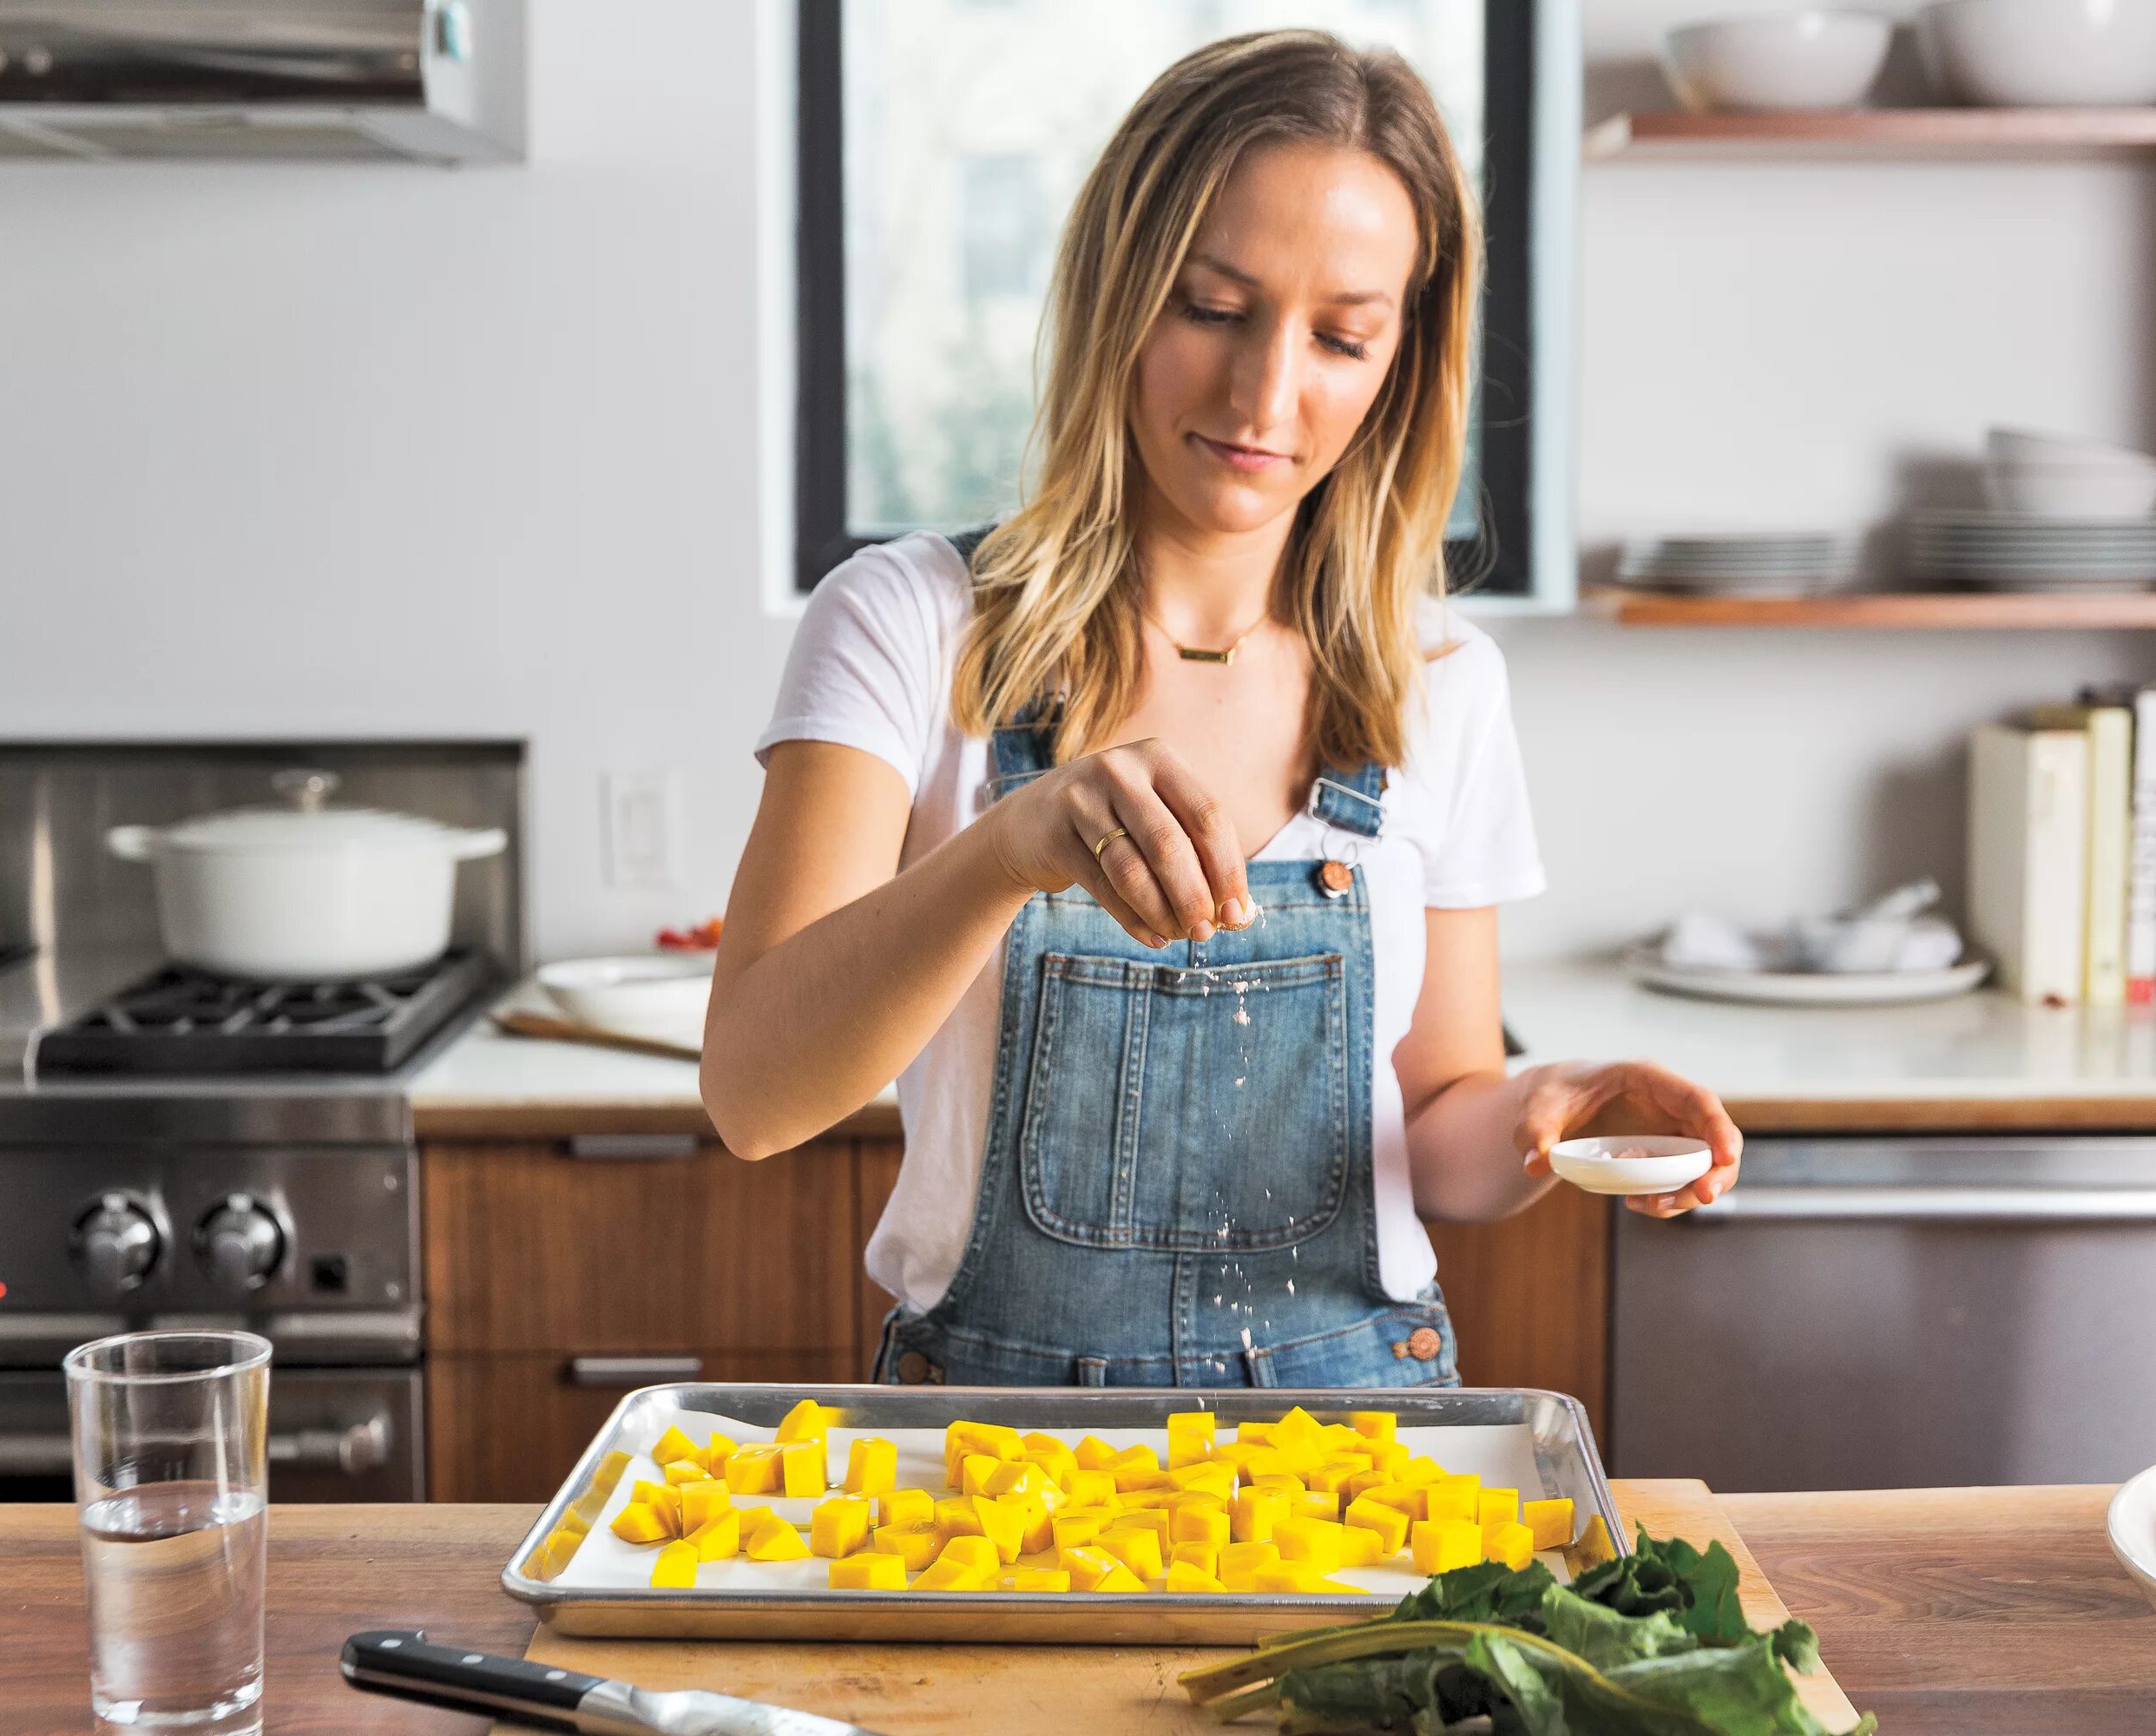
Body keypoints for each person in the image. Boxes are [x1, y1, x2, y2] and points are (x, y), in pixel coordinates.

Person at [703, 30, 1739, 1390]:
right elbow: (757, 1097)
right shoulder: (909, 624)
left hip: (1353, 1458)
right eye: (1211, 306)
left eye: (1341, 337)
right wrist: (1009, 851)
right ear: (1119, 293)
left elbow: (1437, 1124)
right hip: (995, 1466)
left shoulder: (1437, 681)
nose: (1265, 395)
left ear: (1398, 364)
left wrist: (1549, 1114)